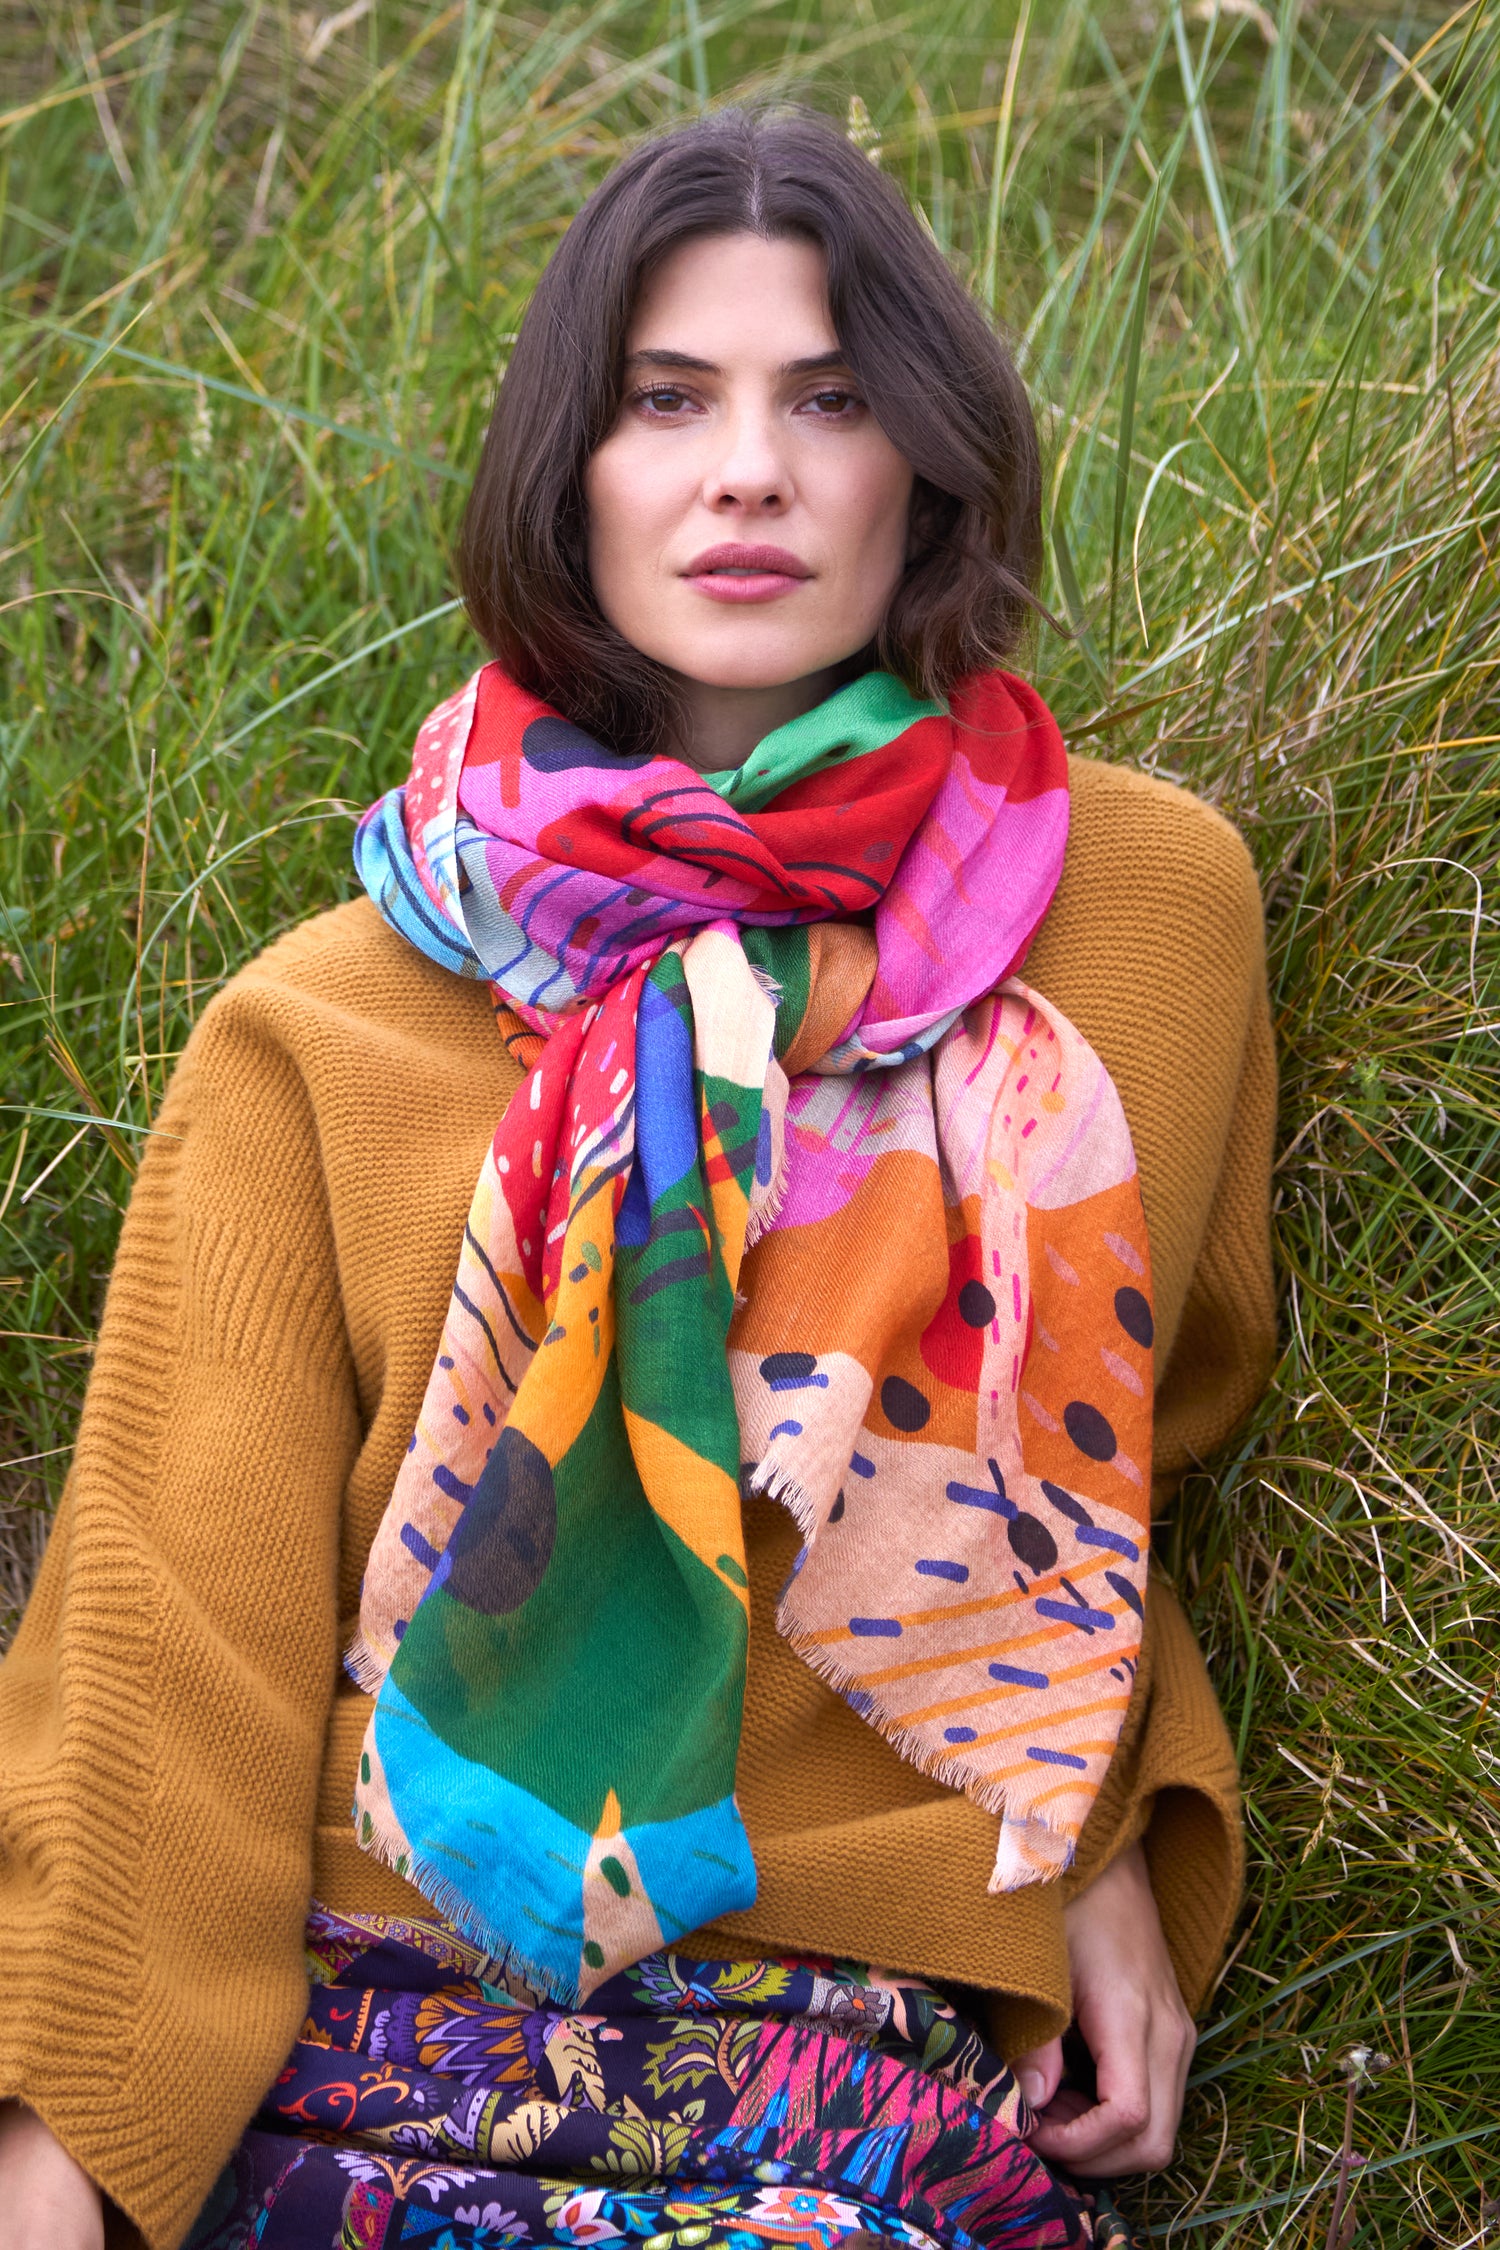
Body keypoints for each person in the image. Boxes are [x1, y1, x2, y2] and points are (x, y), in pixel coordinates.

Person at [0, 105, 1275, 2250]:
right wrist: (63, 2167)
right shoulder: (321, 1024)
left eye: (833, 400)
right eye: (668, 401)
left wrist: (1108, 1840)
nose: (749, 470)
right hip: (377, 2003)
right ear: (565, 476)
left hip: (854, 2057)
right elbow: (176, 1637)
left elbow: (1113, 1444)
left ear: (929, 465)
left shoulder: (1137, 916)